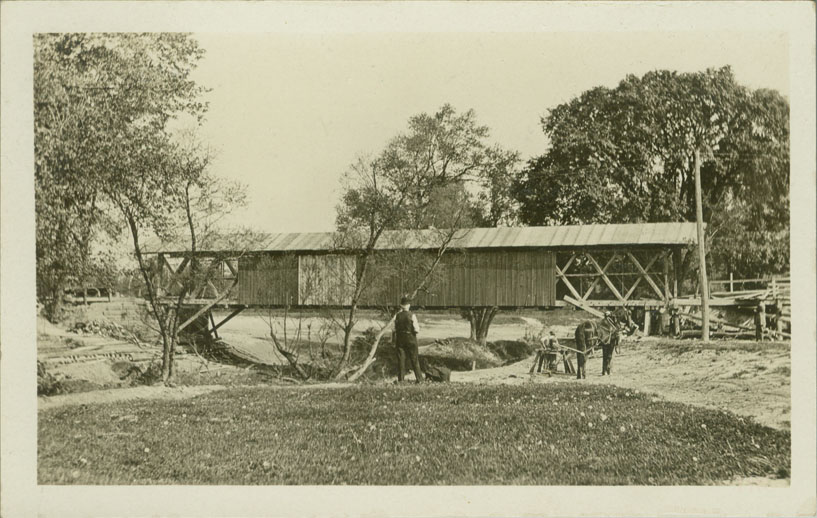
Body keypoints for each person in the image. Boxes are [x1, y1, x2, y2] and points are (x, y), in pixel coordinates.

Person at [393, 295, 424, 383]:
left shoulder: (397, 316)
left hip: (400, 339)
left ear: (401, 305)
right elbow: (417, 330)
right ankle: (419, 379)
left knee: (401, 360)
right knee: (414, 358)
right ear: (409, 305)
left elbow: (394, 329)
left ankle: (401, 379)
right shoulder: (412, 315)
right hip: (410, 338)